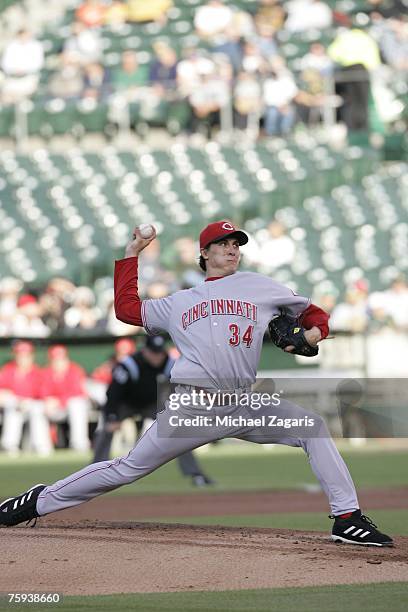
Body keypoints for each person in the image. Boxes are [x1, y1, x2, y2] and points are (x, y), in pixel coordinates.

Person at [0, 221, 393, 547]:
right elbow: (126, 310)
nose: (231, 249)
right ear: (204, 253)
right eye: (222, 243)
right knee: (127, 468)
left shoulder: (260, 286)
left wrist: (313, 335)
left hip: (243, 403)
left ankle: (347, 518)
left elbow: (313, 313)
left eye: (236, 243)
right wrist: (132, 253)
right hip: (194, 407)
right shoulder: (179, 302)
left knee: (314, 429)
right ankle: (37, 502)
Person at [92, 334, 214, 486]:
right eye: (153, 352)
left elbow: (180, 390)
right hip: (126, 403)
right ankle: (94, 473)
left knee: (177, 430)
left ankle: (196, 474)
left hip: (152, 403)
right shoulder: (129, 364)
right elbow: (113, 393)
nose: (157, 357)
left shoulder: (170, 363)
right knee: (106, 430)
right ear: (145, 351)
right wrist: (112, 416)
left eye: (159, 352)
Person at [0, 342, 49, 455]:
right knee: (13, 406)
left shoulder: (37, 372)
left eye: (25, 356)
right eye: (20, 355)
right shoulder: (8, 370)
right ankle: (10, 446)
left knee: (36, 409)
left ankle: (41, 446)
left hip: (33, 406)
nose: (22, 359)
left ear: (31, 356)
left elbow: (43, 396)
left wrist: (27, 402)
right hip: (13, 406)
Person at [40, 345, 91, 452]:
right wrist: (47, 401)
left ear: (66, 359)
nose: (58, 362)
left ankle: (79, 444)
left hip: (74, 408)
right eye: (55, 360)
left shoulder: (75, 370)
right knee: (38, 408)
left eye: (61, 359)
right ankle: (42, 447)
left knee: (76, 404)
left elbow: (78, 392)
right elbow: (42, 391)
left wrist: (59, 401)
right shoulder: (46, 372)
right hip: (55, 410)